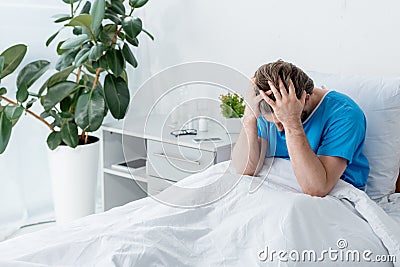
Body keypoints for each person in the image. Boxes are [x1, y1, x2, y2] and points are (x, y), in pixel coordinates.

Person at [232, 60, 369, 197]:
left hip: (333, 194)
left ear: (306, 99)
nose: (279, 130)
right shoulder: (266, 104)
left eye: (281, 122)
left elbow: (317, 188)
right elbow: (245, 169)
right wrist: (249, 118)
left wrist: (291, 122)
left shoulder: (345, 115)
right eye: (273, 123)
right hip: (277, 184)